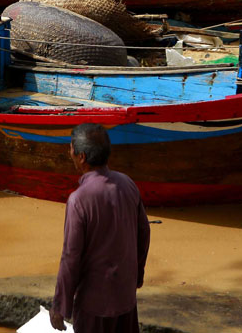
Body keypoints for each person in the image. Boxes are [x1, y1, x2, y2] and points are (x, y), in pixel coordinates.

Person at [50, 123, 150, 332]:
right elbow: (144, 233)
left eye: (71, 148)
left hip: (95, 305)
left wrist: (60, 306)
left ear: (82, 157)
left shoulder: (79, 200)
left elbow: (71, 257)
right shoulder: (128, 184)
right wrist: (136, 275)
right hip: (125, 297)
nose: (70, 152)